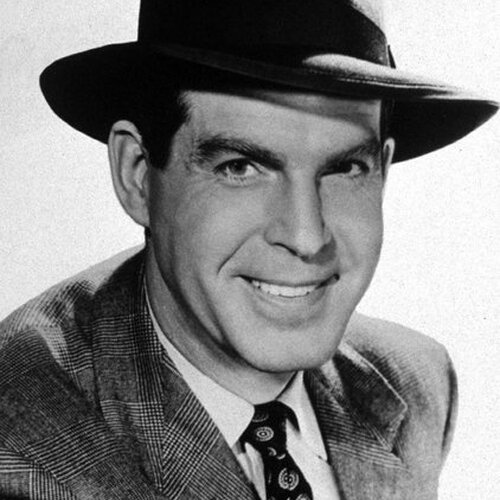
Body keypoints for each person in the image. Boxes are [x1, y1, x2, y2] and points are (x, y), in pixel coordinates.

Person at [0, 0, 497, 499]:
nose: (306, 237)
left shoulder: (417, 382)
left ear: (383, 171)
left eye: (345, 168)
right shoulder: (22, 454)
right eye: (240, 168)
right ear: (138, 175)